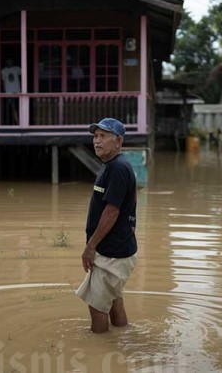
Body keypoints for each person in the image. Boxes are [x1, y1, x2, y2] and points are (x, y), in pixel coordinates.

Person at [76, 117, 137, 333]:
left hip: (111, 253)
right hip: (118, 249)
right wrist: (131, 226)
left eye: (103, 136)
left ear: (118, 141)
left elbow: (112, 211)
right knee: (113, 300)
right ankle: (123, 336)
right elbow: (131, 201)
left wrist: (90, 246)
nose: (97, 141)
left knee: (97, 306)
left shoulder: (118, 168)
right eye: (95, 136)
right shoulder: (112, 166)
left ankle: (100, 351)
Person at [1, 59, 21, 125]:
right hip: (9, 91)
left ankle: (19, 122)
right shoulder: (4, 71)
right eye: (8, 61)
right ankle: (17, 122)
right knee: (12, 107)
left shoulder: (17, 69)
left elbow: (23, 75)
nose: (9, 62)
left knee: (18, 107)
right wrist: (5, 91)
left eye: (11, 60)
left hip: (17, 91)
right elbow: (3, 81)